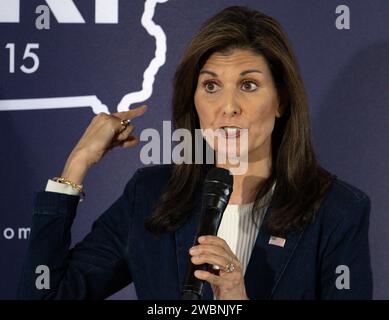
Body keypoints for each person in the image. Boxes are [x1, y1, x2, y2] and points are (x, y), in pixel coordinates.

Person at [17, 6, 372, 300]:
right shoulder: (152, 195)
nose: (228, 107)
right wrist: (76, 166)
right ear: (194, 99)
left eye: (248, 85)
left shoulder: (337, 211)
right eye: (211, 86)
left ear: (281, 100)